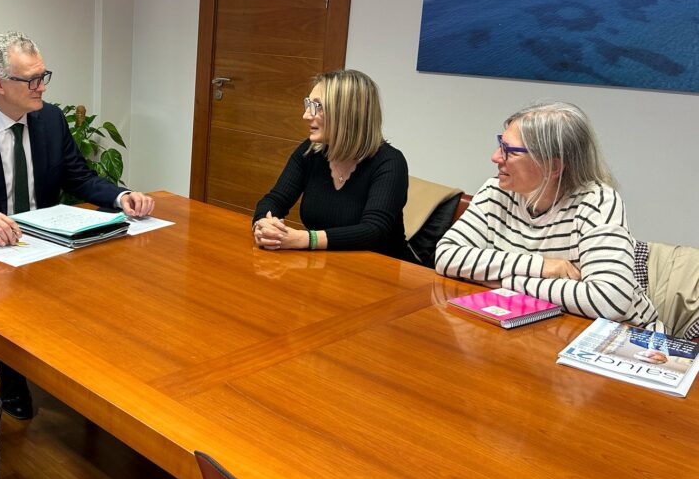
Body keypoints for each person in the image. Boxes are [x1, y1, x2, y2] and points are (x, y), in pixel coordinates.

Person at [0, 30, 154, 419]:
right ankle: (11, 373)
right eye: (31, 80)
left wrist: (120, 197)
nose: (41, 87)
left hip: (47, 244)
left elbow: (79, 177)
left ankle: (93, 383)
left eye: (44, 76)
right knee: (16, 295)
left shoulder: (51, 120)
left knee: (112, 284)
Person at [435, 102, 659, 329]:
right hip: (541, 326)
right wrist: (542, 266)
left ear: (553, 167)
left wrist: (505, 281)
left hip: (625, 340)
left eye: (509, 151)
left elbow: (609, 300)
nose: (495, 157)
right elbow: (446, 256)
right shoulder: (496, 191)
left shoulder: (597, 202)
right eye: (500, 144)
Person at [252, 69, 412, 261]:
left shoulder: (390, 162)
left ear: (347, 114)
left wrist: (305, 239)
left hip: (377, 271)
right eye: (308, 104)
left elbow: (373, 231)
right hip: (323, 265)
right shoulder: (311, 151)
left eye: (317, 106)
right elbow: (275, 200)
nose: (306, 115)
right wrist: (263, 224)